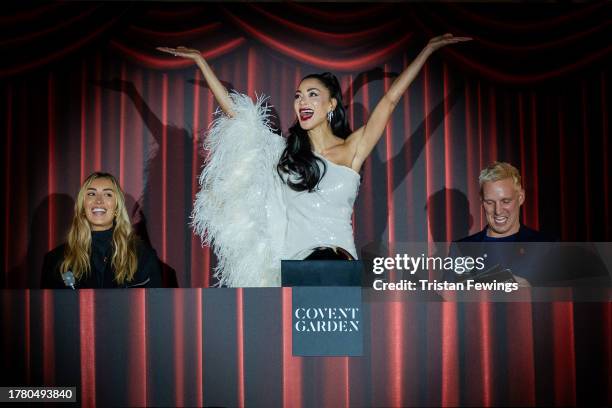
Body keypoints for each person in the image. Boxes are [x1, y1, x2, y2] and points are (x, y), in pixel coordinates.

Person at [158, 33, 471, 287]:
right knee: (299, 360)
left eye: (312, 94)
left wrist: (427, 49)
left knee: (342, 357)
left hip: (342, 264)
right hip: (296, 267)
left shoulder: (353, 149)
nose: (302, 101)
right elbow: (238, 115)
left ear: (331, 104)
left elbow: (390, 100)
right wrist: (201, 61)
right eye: (298, 95)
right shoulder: (284, 151)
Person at [41, 172, 162, 288]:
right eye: (91, 194)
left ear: (117, 208)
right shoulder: (56, 260)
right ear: (83, 206)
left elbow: (154, 306)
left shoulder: (143, 256)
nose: (98, 200)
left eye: (108, 194)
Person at [448, 161, 557, 285]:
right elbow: (445, 301)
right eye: (490, 202)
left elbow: (567, 298)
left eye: (505, 201)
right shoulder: (461, 249)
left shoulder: (547, 246)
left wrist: (532, 292)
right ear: (482, 201)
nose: (498, 211)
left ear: (521, 197)